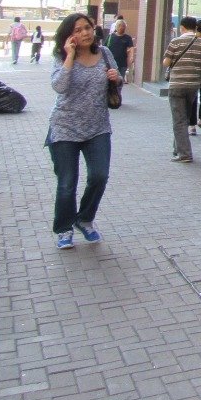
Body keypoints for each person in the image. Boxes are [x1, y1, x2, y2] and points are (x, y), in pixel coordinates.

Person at [47, 13, 120, 249]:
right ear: (68, 36)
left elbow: (116, 81)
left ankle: (85, 219)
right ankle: (64, 228)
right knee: (67, 183)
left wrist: (116, 78)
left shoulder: (104, 53)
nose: (85, 33)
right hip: (65, 127)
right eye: (77, 30)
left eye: (87, 28)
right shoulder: (60, 57)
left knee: (99, 176)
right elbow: (59, 86)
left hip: (98, 127)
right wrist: (70, 56)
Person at [162, 16, 201, 163]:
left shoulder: (175, 42)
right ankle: (177, 149)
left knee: (178, 121)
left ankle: (185, 154)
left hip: (177, 85)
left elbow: (166, 62)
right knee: (185, 118)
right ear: (195, 28)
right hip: (193, 85)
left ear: (182, 27)